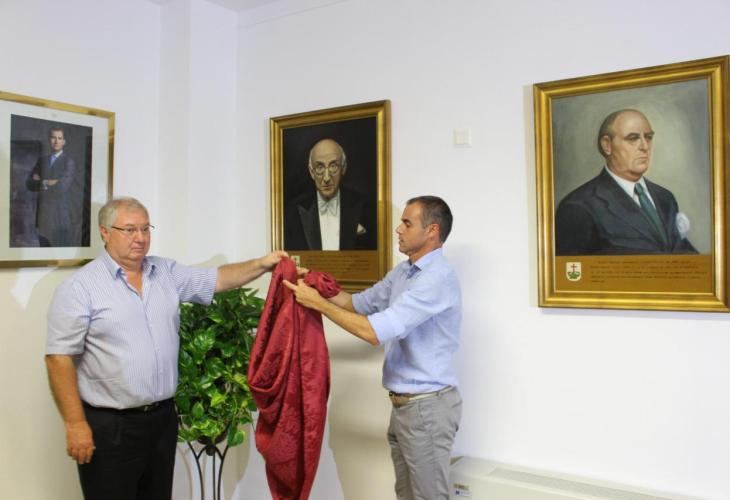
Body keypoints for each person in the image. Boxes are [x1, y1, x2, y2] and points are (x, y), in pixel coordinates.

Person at [44, 197, 287, 500]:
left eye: (146, 229)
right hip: (110, 427)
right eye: (129, 230)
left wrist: (262, 264)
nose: (140, 238)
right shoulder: (80, 287)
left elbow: (218, 279)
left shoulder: (165, 272)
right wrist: (75, 423)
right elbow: (58, 358)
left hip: (161, 421)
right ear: (104, 232)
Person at [284, 195, 462, 499]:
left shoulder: (436, 278)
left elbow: (373, 332)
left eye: (407, 223)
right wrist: (318, 285)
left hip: (427, 409)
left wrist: (318, 305)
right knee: (406, 495)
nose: (398, 229)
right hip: (405, 408)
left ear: (432, 230)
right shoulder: (404, 272)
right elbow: (358, 304)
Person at [555, 109, 698, 255]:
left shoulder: (665, 198)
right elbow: (570, 268)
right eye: (633, 138)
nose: (645, 146)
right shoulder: (578, 207)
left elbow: (683, 254)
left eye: (648, 137)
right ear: (607, 145)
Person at [284, 138, 376, 251]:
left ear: (343, 168)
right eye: (320, 168)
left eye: (333, 166)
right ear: (311, 172)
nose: (327, 178)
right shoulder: (292, 212)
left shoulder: (365, 208)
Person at [26, 126, 80, 247]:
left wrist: (40, 181)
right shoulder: (42, 160)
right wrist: (48, 182)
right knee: (44, 255)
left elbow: (61, 188)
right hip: (43, 218)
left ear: (64, 141)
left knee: (59, 255)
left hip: (59, 219)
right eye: (53, 137)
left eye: (59, 138)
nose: (56, 141)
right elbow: (29, 184)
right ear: (49, 140)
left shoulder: (68, 162)